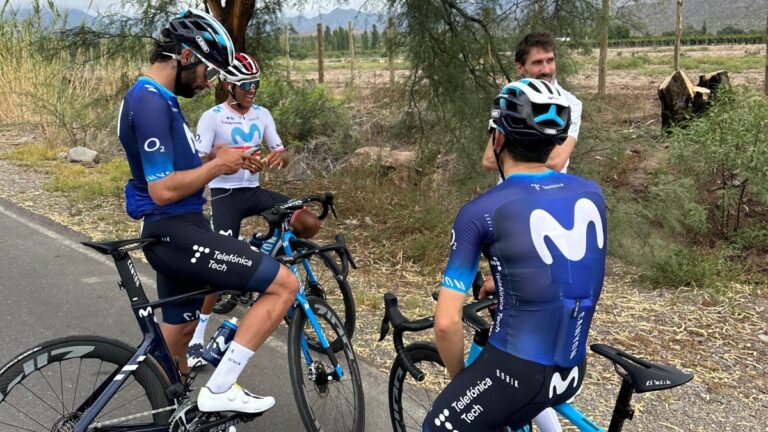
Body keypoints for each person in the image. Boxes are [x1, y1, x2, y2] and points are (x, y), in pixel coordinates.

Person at [117, 9, 298, 414]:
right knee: (284, 285)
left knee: (179, 333)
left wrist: (217, 154)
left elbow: (177, 167)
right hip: (175, 230)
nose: (210, 81)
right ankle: (219, 389)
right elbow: (163, 189)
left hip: (176, 229)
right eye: (207, 70)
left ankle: (172, 416)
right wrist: (217, 167)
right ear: (185, 56)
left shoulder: (160, 98)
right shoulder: (148, 102)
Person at [423, 78, 606, 432]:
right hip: (571, 369)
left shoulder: (481, 210)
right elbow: (563, 270)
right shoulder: (590, 191)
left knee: (436, 426)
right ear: (553, 142)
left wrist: (460, 381)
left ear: (499, 138)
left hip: (514, 376)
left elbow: (445, 322)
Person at [185, 52, 321, 367]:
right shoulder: (213, 117)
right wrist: (220, 159)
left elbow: (281, 151)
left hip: (255, 192)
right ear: (229, 85)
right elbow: (196, 162)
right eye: (246, 83)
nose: (252, 89)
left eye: (256, 83)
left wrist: (279, 158)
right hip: (225, 196)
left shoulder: (262, 115)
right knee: (218, 268)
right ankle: (196, 337)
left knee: (309, 222)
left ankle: (261, 251)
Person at [483, 31, 582, 174]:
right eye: (537, 62)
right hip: (510, 191)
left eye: (550, 60)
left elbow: (556, 162)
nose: (546, 70)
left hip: (549, 191)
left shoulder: (570, 104)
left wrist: (511, 159)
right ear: (520, 68)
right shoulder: (510, 99)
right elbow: (489, 160)